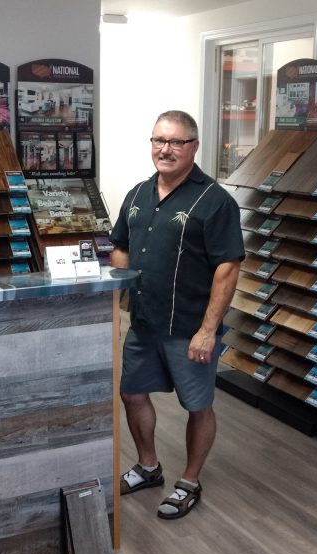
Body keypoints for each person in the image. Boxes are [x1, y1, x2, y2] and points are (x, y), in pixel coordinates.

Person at [110, 110, 244, 520]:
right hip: (145, 321)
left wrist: (208, 331)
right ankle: (149, 467)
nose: (165, 149)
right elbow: (120, 245)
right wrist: (122, 296)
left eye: (176, 142)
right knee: (132, 393)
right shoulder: (137, 193)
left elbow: (228, 267)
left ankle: (189, 481)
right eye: (158, 141)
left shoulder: (215, 201)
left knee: (197, 405)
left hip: (189, 326)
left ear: (194, 147)